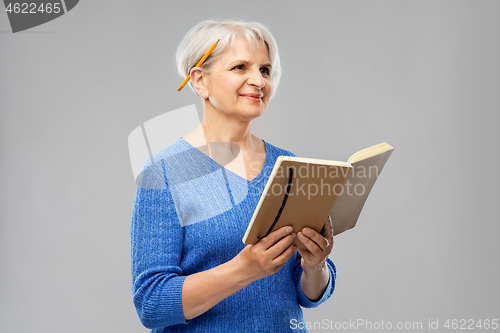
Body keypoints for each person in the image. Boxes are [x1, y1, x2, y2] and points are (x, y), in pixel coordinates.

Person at [131, 19, 336, 332]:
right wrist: (244, 269)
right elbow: (152, 303)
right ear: (200, 81)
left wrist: (315, 263)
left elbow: (308, 294)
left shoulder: (289, 165)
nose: (258, 80)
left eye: (265, 70)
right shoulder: (164, 174)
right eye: (240, 67)